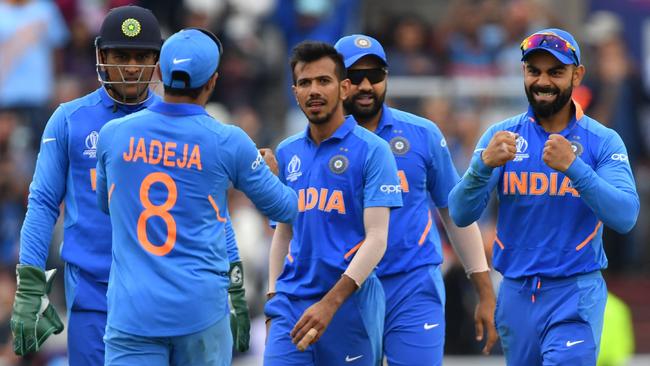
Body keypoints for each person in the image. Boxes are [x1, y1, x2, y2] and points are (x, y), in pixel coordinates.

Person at [95, 27, 297, 366]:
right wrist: (273, 175)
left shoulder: (114, 133)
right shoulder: (228, 140)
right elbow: (286, 208)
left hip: (133, 309)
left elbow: (106, 205)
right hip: (199, 309)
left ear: (159, 72)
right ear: (213, 81)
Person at [448, 28, 640, 365]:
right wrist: (481, 167)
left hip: (574, 293)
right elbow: (460, 213)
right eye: (534, 71)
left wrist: (575, 168)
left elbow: (625, 216)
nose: (543, 81)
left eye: (555, 72)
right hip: (516, 294)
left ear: (577, 75)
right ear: (523, 72)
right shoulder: (501, 136)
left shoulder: (602, 140)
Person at [10, 6, 163, 364]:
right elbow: (44, 203)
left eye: (141, 56)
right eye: (120, 55)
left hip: (161, 295)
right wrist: (31, 282)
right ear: (100, 57)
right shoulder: (69, 119)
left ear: (157, 60)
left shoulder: (176, 123)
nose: (130, 67)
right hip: (93, 296)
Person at [334, 34, 498, 365]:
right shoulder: (317, 143)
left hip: (412, 285)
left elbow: (454, 213)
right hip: (344, 289)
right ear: (337, 81)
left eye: (375, 75)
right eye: (354, 76)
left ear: (387, 78)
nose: (366, 85)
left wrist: (483, 288)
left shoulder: (422, 134)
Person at [264, 41, 403, 366]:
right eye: (305, 83)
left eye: (323, 81)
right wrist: (272, 300)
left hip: (349, 306)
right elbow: (283, 233)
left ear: (343, 88)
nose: (314, 90)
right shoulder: (287, 152)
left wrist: (330, 303)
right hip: (291, 306)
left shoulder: (373, 150)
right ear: (294, 91)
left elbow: (377, 239)